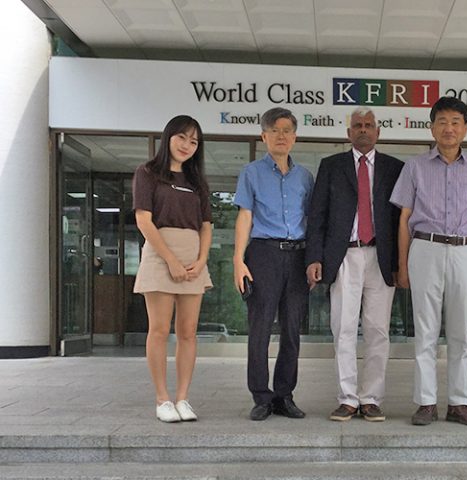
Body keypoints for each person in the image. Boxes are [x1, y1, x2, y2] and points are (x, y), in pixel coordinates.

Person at [390, 96, 467, 427]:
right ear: (432, 128)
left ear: (465, 128)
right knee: (425, 331)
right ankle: (426, 402)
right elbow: (404, 219)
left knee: (460, 333)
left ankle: (459, 402)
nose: (449, 128)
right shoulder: (414, 167)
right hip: (425, 249)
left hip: (466, 252)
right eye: (442, 121)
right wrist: (402, 264)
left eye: (455, 122)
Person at [306, 107, 403, 422]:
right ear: (348, 133)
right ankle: (347, 399)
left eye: (368, 125)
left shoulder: (395, 168)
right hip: (344, 256)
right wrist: (315, 257)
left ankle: (371, 398)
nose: (363, 129)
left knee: (378, 330)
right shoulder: (331, 166)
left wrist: (401, 263)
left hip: (381, 257)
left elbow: (402, 220)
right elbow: (317, 215)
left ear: (378, 132)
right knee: (343, 328)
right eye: (357, 125)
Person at [233, 107, 314, 421]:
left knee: (292, 330)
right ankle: (261, 397)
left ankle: (284, 395)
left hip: (297, 256)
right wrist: (238, 260)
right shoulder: (251, 173)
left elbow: (311, 220)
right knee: (261, 328)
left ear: (295, 137)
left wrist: (313, 261)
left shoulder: (305, 177)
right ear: (263, 136)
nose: (282, 136)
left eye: (287, 130)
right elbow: (245, 216)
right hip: (263, 255)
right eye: (275, 130)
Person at [132, 115, 213, 423]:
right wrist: (170, 260)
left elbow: (206, 225)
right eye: (182, 137)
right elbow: (143, 220)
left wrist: (202, 259)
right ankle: (162, 399)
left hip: (193, 256)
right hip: (159, 253)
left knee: (188, 331)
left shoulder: (197, 181)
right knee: (159, 329)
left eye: (194, 141)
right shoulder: (148, 173)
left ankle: (182, 398)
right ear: (168, 137)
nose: (187, 146)